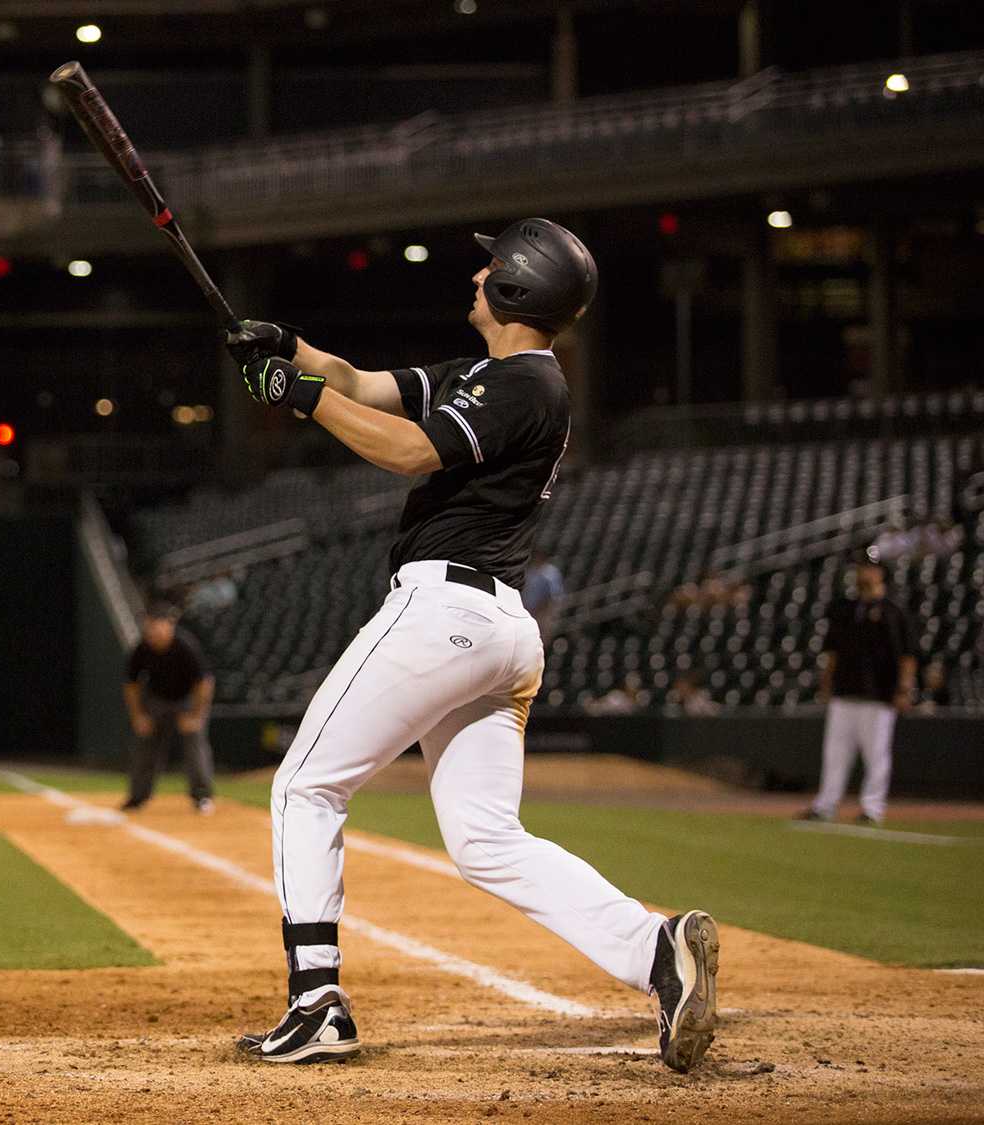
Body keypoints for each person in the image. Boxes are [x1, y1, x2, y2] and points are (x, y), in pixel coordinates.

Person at [224, 218, 717, 1072]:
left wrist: (298, 397)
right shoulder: (494, 375)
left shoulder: (527, 383)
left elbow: (409, 450)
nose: (480, 272)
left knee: (305, 784)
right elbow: (367, 386)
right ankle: (655, 950)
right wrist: (290, 348)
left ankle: (316, 1002)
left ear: (518, 288)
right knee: (486, 839)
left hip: (443, 611)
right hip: (495, 629)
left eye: (495, 265)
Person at [800, 551, 916, 826]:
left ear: (880, 574)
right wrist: (827, 683)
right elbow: (832, 652)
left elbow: (907, 656)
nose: (862, 573)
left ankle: (872, 808)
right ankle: (825, 805)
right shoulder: (844, 609)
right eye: (861, 568)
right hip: (844, 692)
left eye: (868, 569)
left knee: (876, 754)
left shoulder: (893, 612)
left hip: (879, 695)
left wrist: (903, 689)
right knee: (835, 753)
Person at [120, 602, 216, 814]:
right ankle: (137, 797)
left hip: (186, 700)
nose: (152, 631)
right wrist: (138, 716)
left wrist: (196, 716)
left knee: (195, 745)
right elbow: (131, 685)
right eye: (149, 626)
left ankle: (202, 797)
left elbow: (204, 683)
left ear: (169, 625)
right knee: (145, 746)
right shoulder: (142, 648)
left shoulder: (185, 646)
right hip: (156, 700)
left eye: (157, 625)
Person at [521, 548, 565, 641]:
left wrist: (544, 611)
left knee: (541, 639)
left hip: (544, 612)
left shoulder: (550, 573)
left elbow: (554, 597)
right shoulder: (530, 571)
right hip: (527, 611)